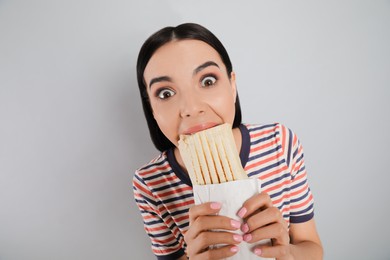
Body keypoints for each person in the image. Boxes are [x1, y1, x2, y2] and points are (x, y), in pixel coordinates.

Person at [133, 23, 323, 260]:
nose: (192, 108)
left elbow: (312, 247)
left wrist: (287, 252)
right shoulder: (150, 182)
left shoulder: (280, 143)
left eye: (208, 81)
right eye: (165, 93)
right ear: (151, 109)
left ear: (232, 86)